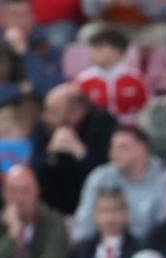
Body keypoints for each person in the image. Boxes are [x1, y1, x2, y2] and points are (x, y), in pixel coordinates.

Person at [0, 0, 62, 117]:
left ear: (33, 16)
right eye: (14, 15)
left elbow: (50, 92)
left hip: (38, 117)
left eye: (25, 14)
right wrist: (20, 89)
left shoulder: (44, 43)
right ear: (1, 18)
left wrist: (25, 53)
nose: (21, 22)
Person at [33, 83, 117, 215]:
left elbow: (108, 175)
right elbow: (34, 170)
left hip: (95, 207)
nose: (45, 116)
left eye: (52, 111)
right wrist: (50, 154)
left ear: (74, 112)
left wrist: (80, 152)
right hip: (54, 208)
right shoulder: (45, 128)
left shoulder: (102, 124)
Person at [73, 126, 165, 241]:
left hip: (149, 250)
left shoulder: (163, 179)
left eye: (123, 147)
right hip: (105, 247)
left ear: (142, 148)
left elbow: (165, 226)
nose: (115, 153)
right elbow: (85, 222)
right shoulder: (100, 177)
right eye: (112, 147)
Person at [75, 27, 147, 127]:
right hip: (96, 131)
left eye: (99, 48)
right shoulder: (83, 80)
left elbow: (143, 109)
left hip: (129, 131)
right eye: (92, 48)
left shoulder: (135, 78)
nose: (93, 53)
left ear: (116, 51)